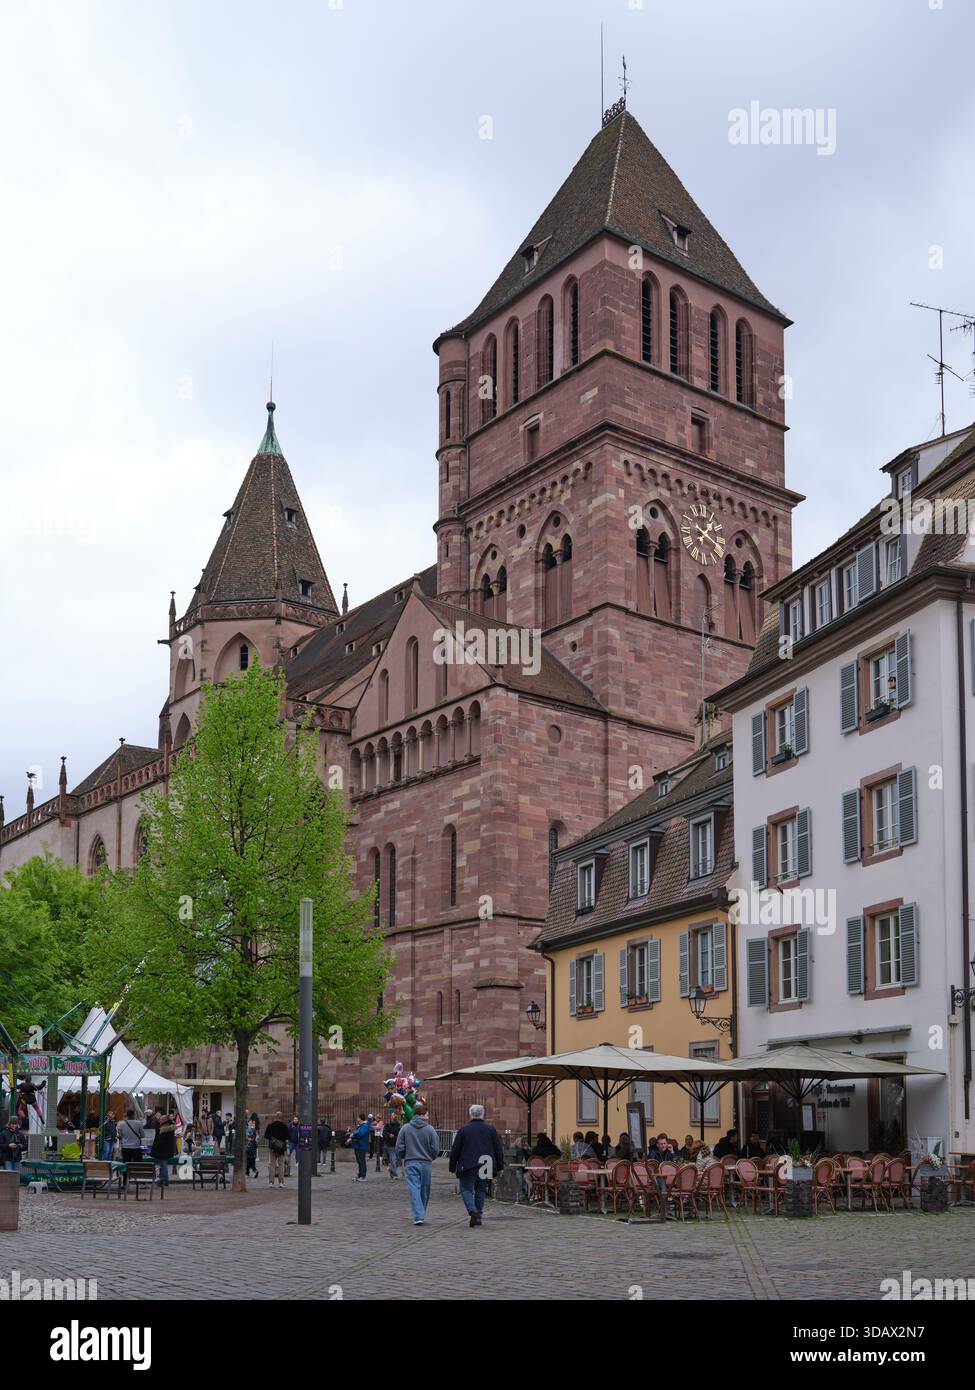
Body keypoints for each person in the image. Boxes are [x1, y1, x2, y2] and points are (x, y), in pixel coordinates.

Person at [448, 1104, 505, 1228]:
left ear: (471, 1114)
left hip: (468, 1164)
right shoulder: (490, 1129)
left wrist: (452, 1166)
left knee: (466, 1189)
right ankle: (478, 1215)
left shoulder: (464, 1129)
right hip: (486, 1164)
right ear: (482, 1114)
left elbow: (455, 1149)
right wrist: (500, 1166)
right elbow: (498, 1149)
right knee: (480, 1190)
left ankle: (471, 1209)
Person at [395, 1102, 440, 1225]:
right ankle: (420, 1214)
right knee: (424, 1189)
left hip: (411, 1162)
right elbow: (435, 1148)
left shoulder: (405, 1128)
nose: (428, 1117)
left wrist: (404, 1155)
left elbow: (399, 1147)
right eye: (427, 1114)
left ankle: (418, 1214)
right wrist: (432, 1156)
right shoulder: (430, 1129)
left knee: (414, 1188)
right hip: (425, 1163)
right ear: (422, 1114)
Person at [151, 1110, 176, 1187]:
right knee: (163, 1165)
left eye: (161, 1119)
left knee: (163, 1165)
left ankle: (165, 1180)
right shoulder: (169, 1127)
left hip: (162, 1150)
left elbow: (159, 1140)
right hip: (167, 1150)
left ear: (165, 1120)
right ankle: (163, 1180)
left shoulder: (164, 1129)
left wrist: (154, 1148)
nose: (159, 1120)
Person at [264, 1112, 290, 1188]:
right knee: (281, 1165)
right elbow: (288, 1137)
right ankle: (281, 1182)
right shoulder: (284, 1126)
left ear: (275, 1117)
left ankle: (271, 1182)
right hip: (281, 1148)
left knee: (272, 1165)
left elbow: (266, 1136)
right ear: (281, 1117)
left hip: (272, 1147)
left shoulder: (270, 1126)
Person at [349, 1113, 371, 1181]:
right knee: (359, 1161)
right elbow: (357, 1132)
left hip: (362, 1145)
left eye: (358, 1117)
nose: (357, 1119)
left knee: (362, 1161)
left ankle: (363, 1176)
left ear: (360, 1118)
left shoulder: (365, 1125)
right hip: (358, 1145)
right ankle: (359, 1175)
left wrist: (353, 1135)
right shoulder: (361, 1125)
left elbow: (361, 1133)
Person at [382, 1114, 401, 1179]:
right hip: (390, 1145)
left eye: (395, 1115)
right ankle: (395, 1175)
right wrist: (389, 1134)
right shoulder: (387, 1125)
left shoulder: (398, 1125)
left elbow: (400, 1134)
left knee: (398, 1161)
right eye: (393, 1115)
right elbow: (384, 1133)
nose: (395, 1116)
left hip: (397, 1144)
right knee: (393, 1160)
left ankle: (391, 1169)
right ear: (391, 1117)